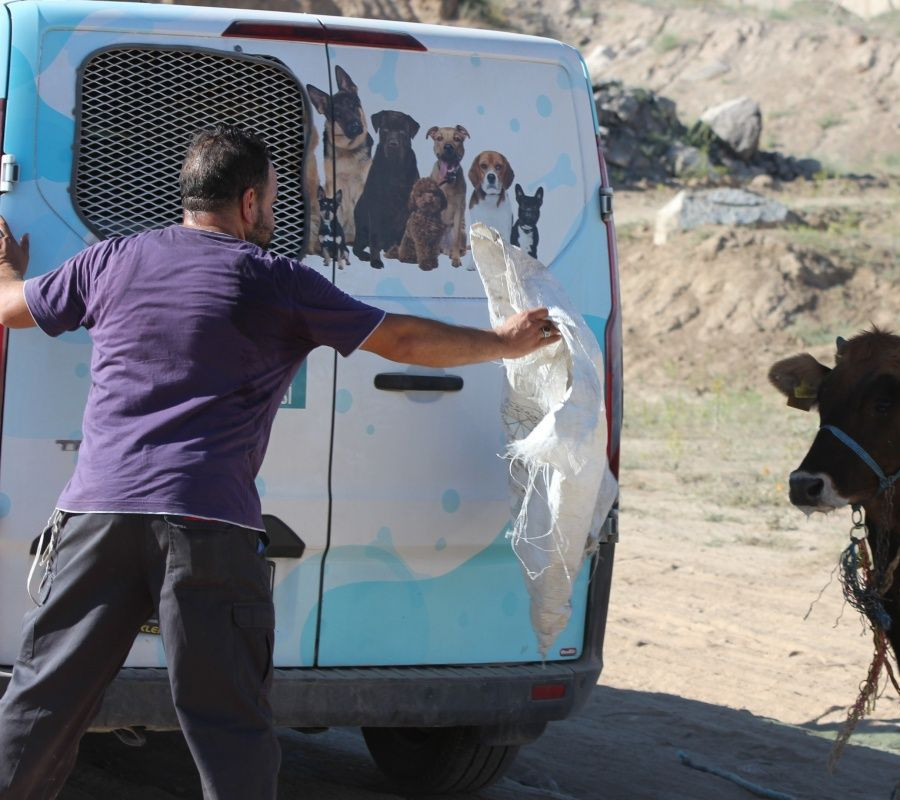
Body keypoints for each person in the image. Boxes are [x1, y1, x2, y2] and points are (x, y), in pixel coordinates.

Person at [0, 124, 559, 799]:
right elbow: (405, 339)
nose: (274, 211)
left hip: (96, 518)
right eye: (272, 199)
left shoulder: (112, 260)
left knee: (40, 705)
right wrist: (502, 342)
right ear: (246, 204)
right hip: (207, 529)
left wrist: (7, 269)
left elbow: (10, 308)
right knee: (228, 729)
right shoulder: (278, 281)